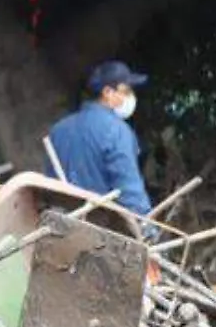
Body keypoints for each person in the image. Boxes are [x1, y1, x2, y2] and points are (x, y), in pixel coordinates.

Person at [46, 60, 152, 217]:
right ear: (108, 92)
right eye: (126, 91)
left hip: (62, 223)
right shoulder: (117, 131)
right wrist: (147, 226)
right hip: (102, 228)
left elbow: (50, 184)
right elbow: (129, 189)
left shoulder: (58, 130)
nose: (130, 97)